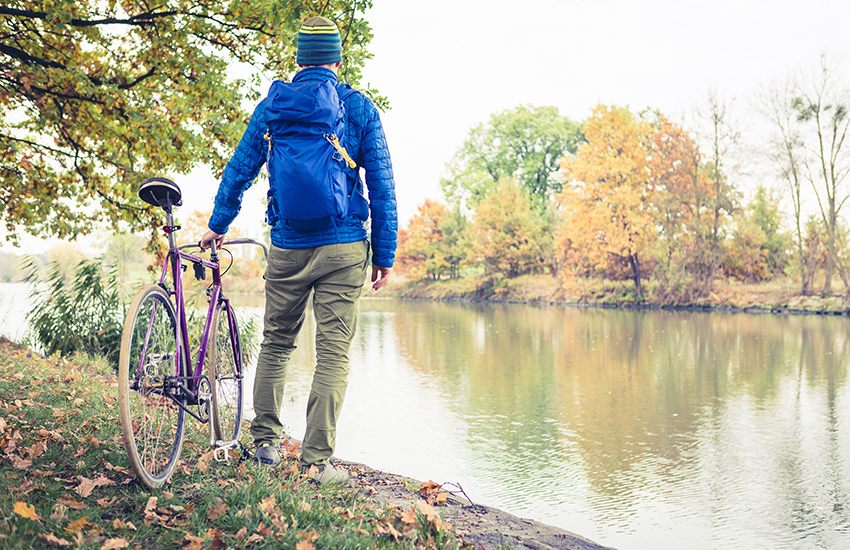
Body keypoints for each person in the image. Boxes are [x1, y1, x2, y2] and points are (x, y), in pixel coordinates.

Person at [200, 16, 397, 484]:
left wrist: (217, 224)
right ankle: (316, 463)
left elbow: (240, 169)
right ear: (337, 59)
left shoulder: (273, 106)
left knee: (276, 344)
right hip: (345, 247)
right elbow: (382, 186)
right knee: (333, 354)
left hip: (287, 245)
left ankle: (265, 445)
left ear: (299, 59)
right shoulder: (359, 108)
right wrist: (384, 253)